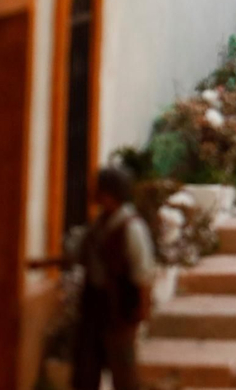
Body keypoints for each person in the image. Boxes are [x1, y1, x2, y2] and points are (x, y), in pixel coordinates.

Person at [28, 164, 157, 390]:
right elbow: (79, 254)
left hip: (119, 308)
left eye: (99, 188)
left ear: (110, 193)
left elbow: (143, 273)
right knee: (86, 367)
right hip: (94, 304)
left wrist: (141, 310)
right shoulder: (100, 223)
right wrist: (43, 263)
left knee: (123, 369)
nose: (93, 192)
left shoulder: (131, 227)